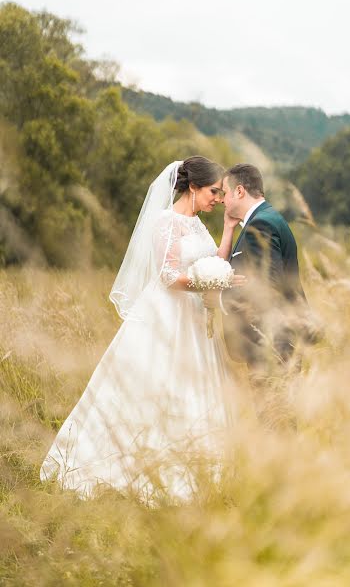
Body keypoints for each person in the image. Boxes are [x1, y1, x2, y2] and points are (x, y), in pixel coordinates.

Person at [40, 156, 243, 502]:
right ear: (192, 187)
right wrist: (208, 283)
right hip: (166, 315)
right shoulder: (167, 222)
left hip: (193, 318)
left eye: (221, 194)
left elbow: (213, 263)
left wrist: (226, 234)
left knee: (193, 387)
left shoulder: (196, 224)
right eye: (214, 191)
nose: (219, 198)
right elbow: (167, 277)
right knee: (155, 385)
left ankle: (199, 467)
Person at [204, 164, 306, 408]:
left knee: (276, 427)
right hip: (277, 344)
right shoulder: (266, 219)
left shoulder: (260, 226)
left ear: (240, 191)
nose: (221, 201)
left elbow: (267, 288)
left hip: (272, 347)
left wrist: (218, 299)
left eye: (225, 193)